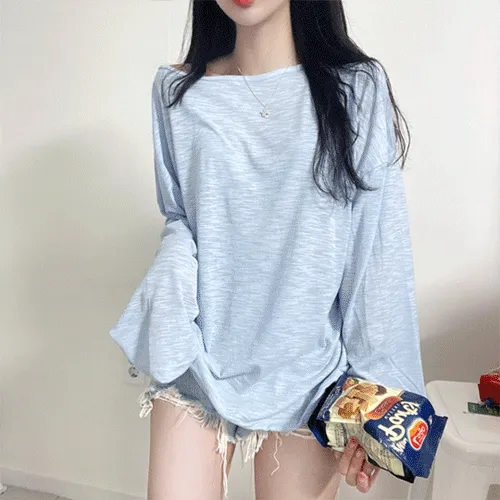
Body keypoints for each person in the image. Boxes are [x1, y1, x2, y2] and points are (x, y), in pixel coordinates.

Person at [109, 0, 426, 498]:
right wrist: (170, 292)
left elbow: (377, 254)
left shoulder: (356, 89)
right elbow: (181, 215)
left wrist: (380, 396)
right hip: (198, 355)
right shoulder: (177, 92)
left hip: (309, 372)